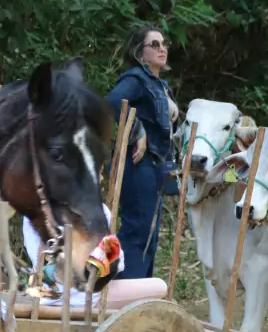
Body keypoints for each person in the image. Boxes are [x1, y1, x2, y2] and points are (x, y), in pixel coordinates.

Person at [106, 25, 179, 280]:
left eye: (164, 43)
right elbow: (113, 102)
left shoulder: (162, 85)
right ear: (140, 52)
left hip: (156, 166)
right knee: (137, 229)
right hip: (138, 164)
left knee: (150, 233)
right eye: (154, 45)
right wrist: (138, 131)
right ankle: (122, 290)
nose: (162, 49)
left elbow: (169, 131)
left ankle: (140, 290)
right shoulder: (136, 79)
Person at [23, 205, 168, 309]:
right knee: (160, 286)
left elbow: (38, 257)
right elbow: (117, 265)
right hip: (84, 297)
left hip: (45, 296)